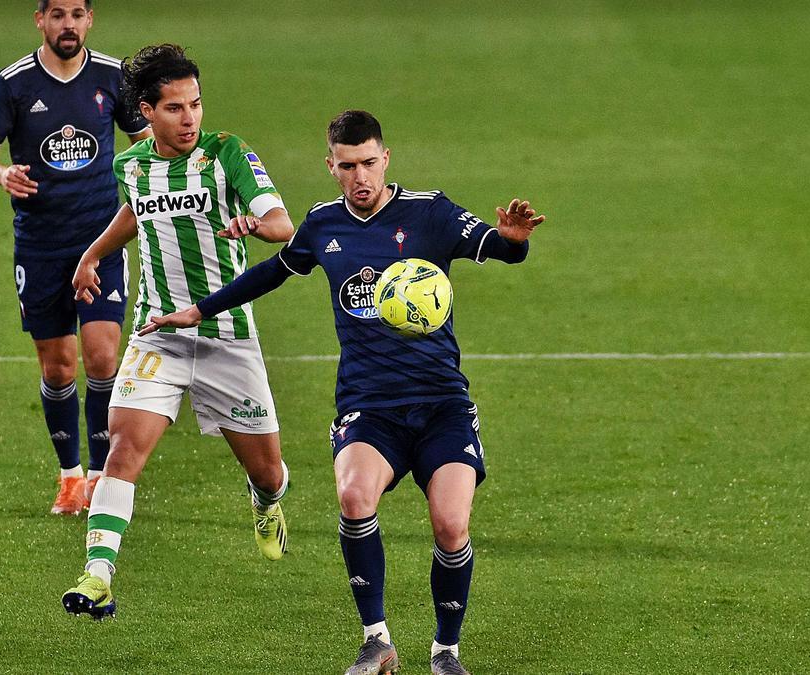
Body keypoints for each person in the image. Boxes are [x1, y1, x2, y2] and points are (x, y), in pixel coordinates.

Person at [142, 110, 548, 675]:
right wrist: (200, 309)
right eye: (348, 165)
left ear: (386, 159)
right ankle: (376, 641)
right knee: (355, 500)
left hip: (441, 402)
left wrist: (514, 241)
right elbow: (276, 270)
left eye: (369, 163)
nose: (360, 176)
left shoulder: (430, 212)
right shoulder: (323, 223)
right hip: (368, 404)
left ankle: (446, 651)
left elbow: (496, 244)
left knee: (451, 526)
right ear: (331, 166)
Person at [60, 44, 295, 620]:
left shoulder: (228, 154)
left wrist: (255, 226)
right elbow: (138, 213)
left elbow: (283, 224)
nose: (189, 118)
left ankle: (266, 502)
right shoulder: (131, 165)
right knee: (122, 451)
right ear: (146, 113)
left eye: (195, 105)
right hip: (157, 332)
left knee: (267, 470)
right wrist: (92, 255)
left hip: (226, 335)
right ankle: (98, 575)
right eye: (174, 108)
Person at [0, 0, 152, 515]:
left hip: (99, 242)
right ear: (40, 21)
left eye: (77, 14)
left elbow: (144, 144)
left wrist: (144, 191)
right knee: (58, 367)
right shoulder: (14, 82)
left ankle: (100, 475)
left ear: (89, 19)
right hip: (41, 245)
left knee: (102, 356)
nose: (67, 24)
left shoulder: (115, 77)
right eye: (58, 15)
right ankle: (70, 475)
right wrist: (2, 174)